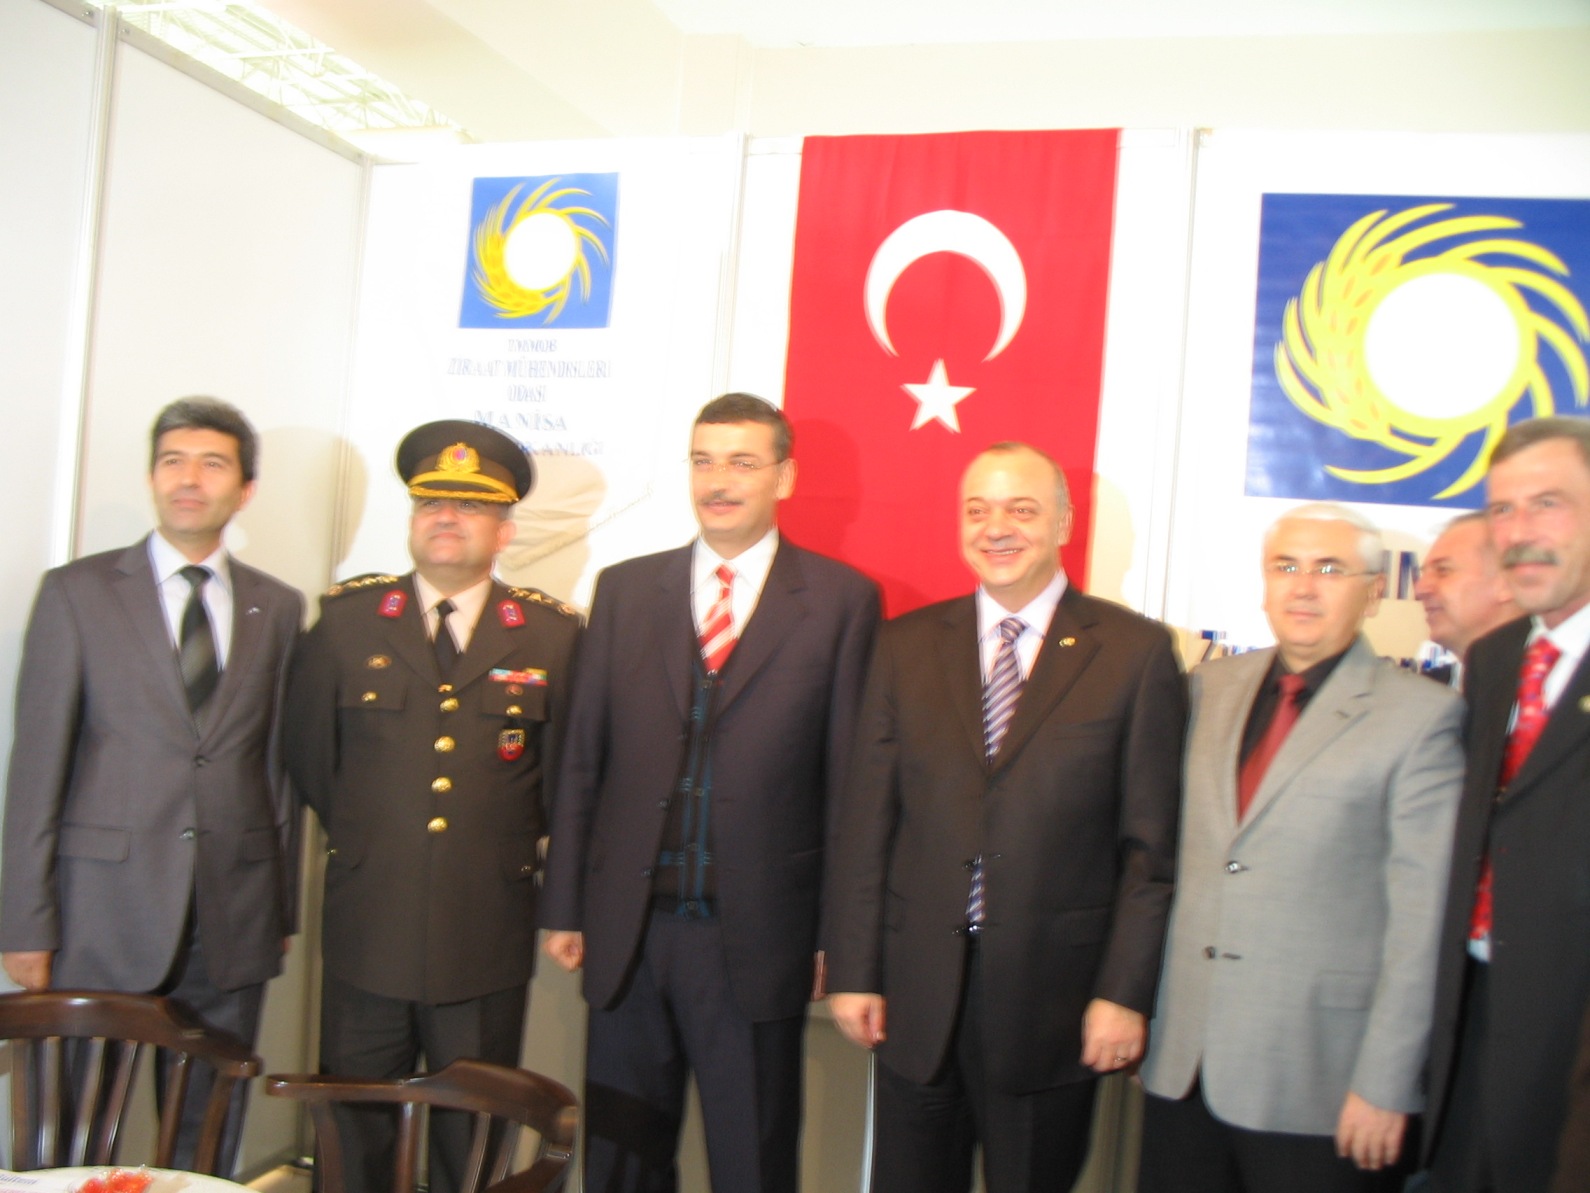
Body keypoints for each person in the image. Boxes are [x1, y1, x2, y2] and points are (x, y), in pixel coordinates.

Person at [539, 393, 879, 1193]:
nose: (718, 481)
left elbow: (851, 787)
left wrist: (838, 935)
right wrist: (565, 903)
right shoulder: (624, 590)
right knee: (620, 1160)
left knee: (752, 1160)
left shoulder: (841, 600)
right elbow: (582, 757)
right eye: (703, 460)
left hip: (756, 936)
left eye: (741, 462)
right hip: (629, 932)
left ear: (784, 477)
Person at [824, 441, 1184, 1193]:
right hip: (917, 1002)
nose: (996, 528)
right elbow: (867, 827)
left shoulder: (1136, 653)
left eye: (1021, 509)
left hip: (1054, 1006)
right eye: (977, 509)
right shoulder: (903, 644)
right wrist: (855, 972)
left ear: (1063, 522)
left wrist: (1123, 992)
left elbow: (1150, 852)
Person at [0, 396, 303, 1172]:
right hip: (101, 913)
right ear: (151, 478)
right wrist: (24, 922)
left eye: (212, 463)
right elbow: (36, 767)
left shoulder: (277, 605)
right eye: (173, 461)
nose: (189, 479)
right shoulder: (78, 592)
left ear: (245, 488)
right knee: (72, 1128)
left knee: (206, 1133)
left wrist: (279, 907)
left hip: (231, 915)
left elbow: (276, 766)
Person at [284, 420, 579, 1193]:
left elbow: (562, 782)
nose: (446, 517)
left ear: (505, 529)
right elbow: (311, 758)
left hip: (484, 932)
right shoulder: (347, 622)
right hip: (368, 926)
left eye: (469, 505)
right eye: (430, 502)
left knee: (472, 1145)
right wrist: (380, 840)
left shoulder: (550, 637)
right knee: (353, 1140)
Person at [1138, 502, 1464, 1193]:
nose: (1304, 587)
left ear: (1373, 593)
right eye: (1285, 566)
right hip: (1183, 1065)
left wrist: (1387, 1082)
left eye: (1329, 569)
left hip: (1322, 1084)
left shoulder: (1423, 718)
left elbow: (1424, 923)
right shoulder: (1205, 690)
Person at [1424, 416, 1590, 1193]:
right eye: (1502, 509)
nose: (1520, 532)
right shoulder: (1494, 660)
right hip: (1470, 1036)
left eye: (1548, 503)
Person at [1414, 512, 1520, 687]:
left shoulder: (1552, 690)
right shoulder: (1419, 694)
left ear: (1508, 582)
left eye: (1443, 570)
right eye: (1424, 573)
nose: (1420, 590)